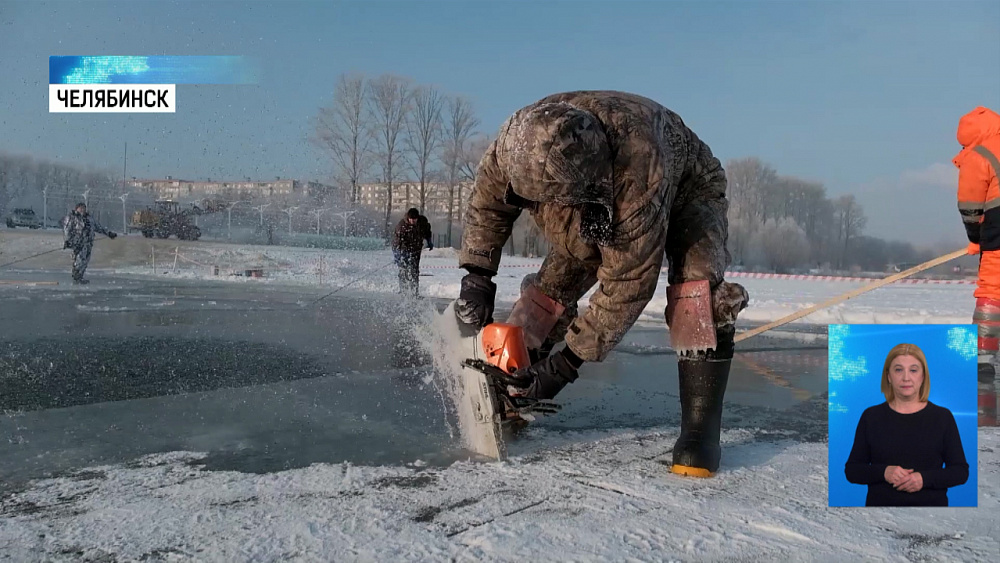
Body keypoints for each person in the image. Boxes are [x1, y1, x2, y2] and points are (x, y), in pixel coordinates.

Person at [454, 90, 749, 477]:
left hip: (684, 190)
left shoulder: (638, 170)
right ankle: (511, 391)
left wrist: (566, 364)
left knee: (697, 299)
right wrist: (477, 274)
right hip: (583, 188)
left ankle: (700, 431)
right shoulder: (518, 142)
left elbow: (628, 281)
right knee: (549, 291)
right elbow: (488, 203)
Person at [844, 343, 969, 507]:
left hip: (931, 514)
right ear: (888, 376)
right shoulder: (871, 417)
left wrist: (924, 479)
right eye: (898, 370)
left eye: (913, 370)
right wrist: (884, 472)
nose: (906, 378)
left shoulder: (942, 417)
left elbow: (960, 472)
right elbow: (852, 471)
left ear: (923, 376)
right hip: (880, 514)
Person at [953, 107, 1000, 382]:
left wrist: (975, 239)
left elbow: (970, 206)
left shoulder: (980, 153)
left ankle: (982, 359)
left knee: (992, 293)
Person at [61, 202, 117, 284]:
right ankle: (76, 275)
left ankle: (80, 276)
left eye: (84, 208)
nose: (83, 210)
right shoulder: (73, 218)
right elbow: (67, 230)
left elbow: (99, 227)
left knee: (85, 260)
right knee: (79, 258)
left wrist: (109, 233)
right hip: (78, 243)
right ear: (77, 209)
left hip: (88, 243)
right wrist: (67, 241)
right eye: (81, 208)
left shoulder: (90, 219)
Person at [392, 208, 433, 297]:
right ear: (408, 218)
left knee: (415, 270)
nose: (412, 221)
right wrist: (397, 255)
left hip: (416, 250)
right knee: (403, 270)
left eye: (414, 219)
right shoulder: (402, 226)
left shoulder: (422, 222)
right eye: (411, 219)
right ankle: (403, 290)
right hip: (403, 249)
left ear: (417, 218)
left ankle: (415, 292)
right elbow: (396, 242)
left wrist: (429, 241)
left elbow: (427, 231)